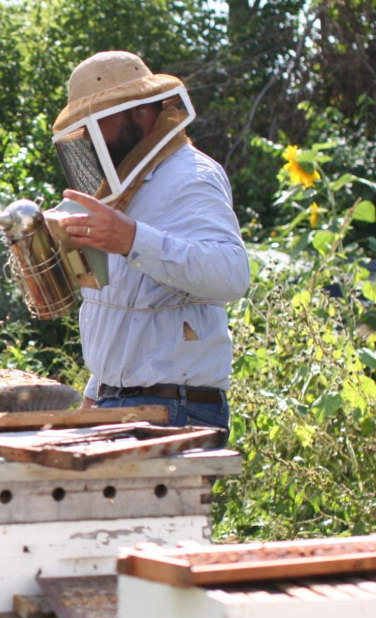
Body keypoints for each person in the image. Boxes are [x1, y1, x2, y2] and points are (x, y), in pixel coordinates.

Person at [51, 51, 250, 432]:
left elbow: (231, 274)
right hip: (123, 402)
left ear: (139, 111)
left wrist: (132, 239)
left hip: (172, 408)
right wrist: (97, 394)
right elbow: (125, 314)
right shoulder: (126, 188)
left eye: (98, 122)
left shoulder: (190, 175)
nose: (90, 139)